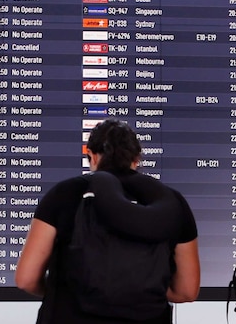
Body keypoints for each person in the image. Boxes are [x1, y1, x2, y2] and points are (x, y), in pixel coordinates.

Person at [15, 119, 200, 324]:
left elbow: (26, 279)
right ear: (136, 159)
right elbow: (186, 291)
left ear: (91, 156)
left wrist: (62, 290)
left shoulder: (63, 194)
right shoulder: (172, 203)